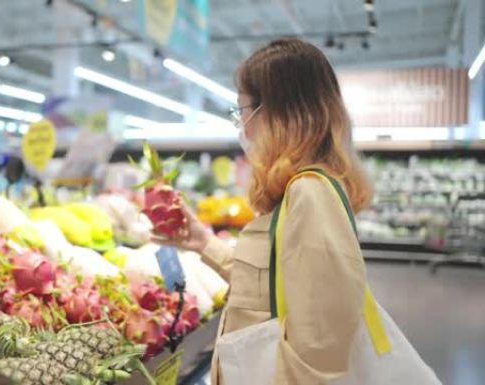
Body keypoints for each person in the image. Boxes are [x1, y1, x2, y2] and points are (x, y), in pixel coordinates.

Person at [153, 38, 374, 384]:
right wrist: (202, 242)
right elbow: (268, 286)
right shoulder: (294, 193)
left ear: (279, 114)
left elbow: (320, 353)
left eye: (242, 111)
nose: (241, 126)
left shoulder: (311, 195)